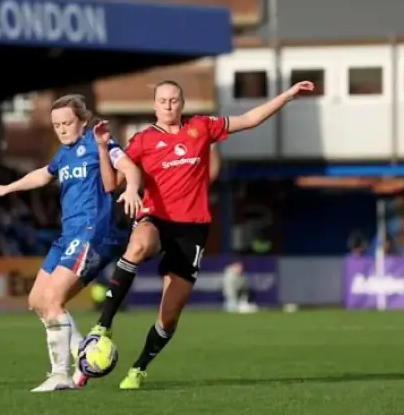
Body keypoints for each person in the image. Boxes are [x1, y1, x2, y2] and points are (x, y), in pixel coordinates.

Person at [85, 78, 314, 389]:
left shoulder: (201, 127)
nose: (168, 105)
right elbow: (112, 184)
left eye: (174, 100)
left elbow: (249, 119)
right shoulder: (142, 141)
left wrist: (287, 96)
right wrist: (102, 147)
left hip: (192, 229)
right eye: (163, 100)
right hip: (155, 218)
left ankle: (139, 368)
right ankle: (103, 326)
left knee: (169, 317)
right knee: (139, 244)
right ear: (154, 106)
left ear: (182, 103)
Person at [0, 93, 143, 392]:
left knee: (54, 301)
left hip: (91, 233)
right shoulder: (64, 154)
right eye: (56, 124)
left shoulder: (101, 145)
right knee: (37, 302)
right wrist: (9, 187)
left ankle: (60, 374)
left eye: (67, 123)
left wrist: (132, 189)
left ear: (82, 122)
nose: (61, 129)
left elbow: (130, 169)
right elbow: (43, 175)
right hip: (67, 236)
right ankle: (83, 349)